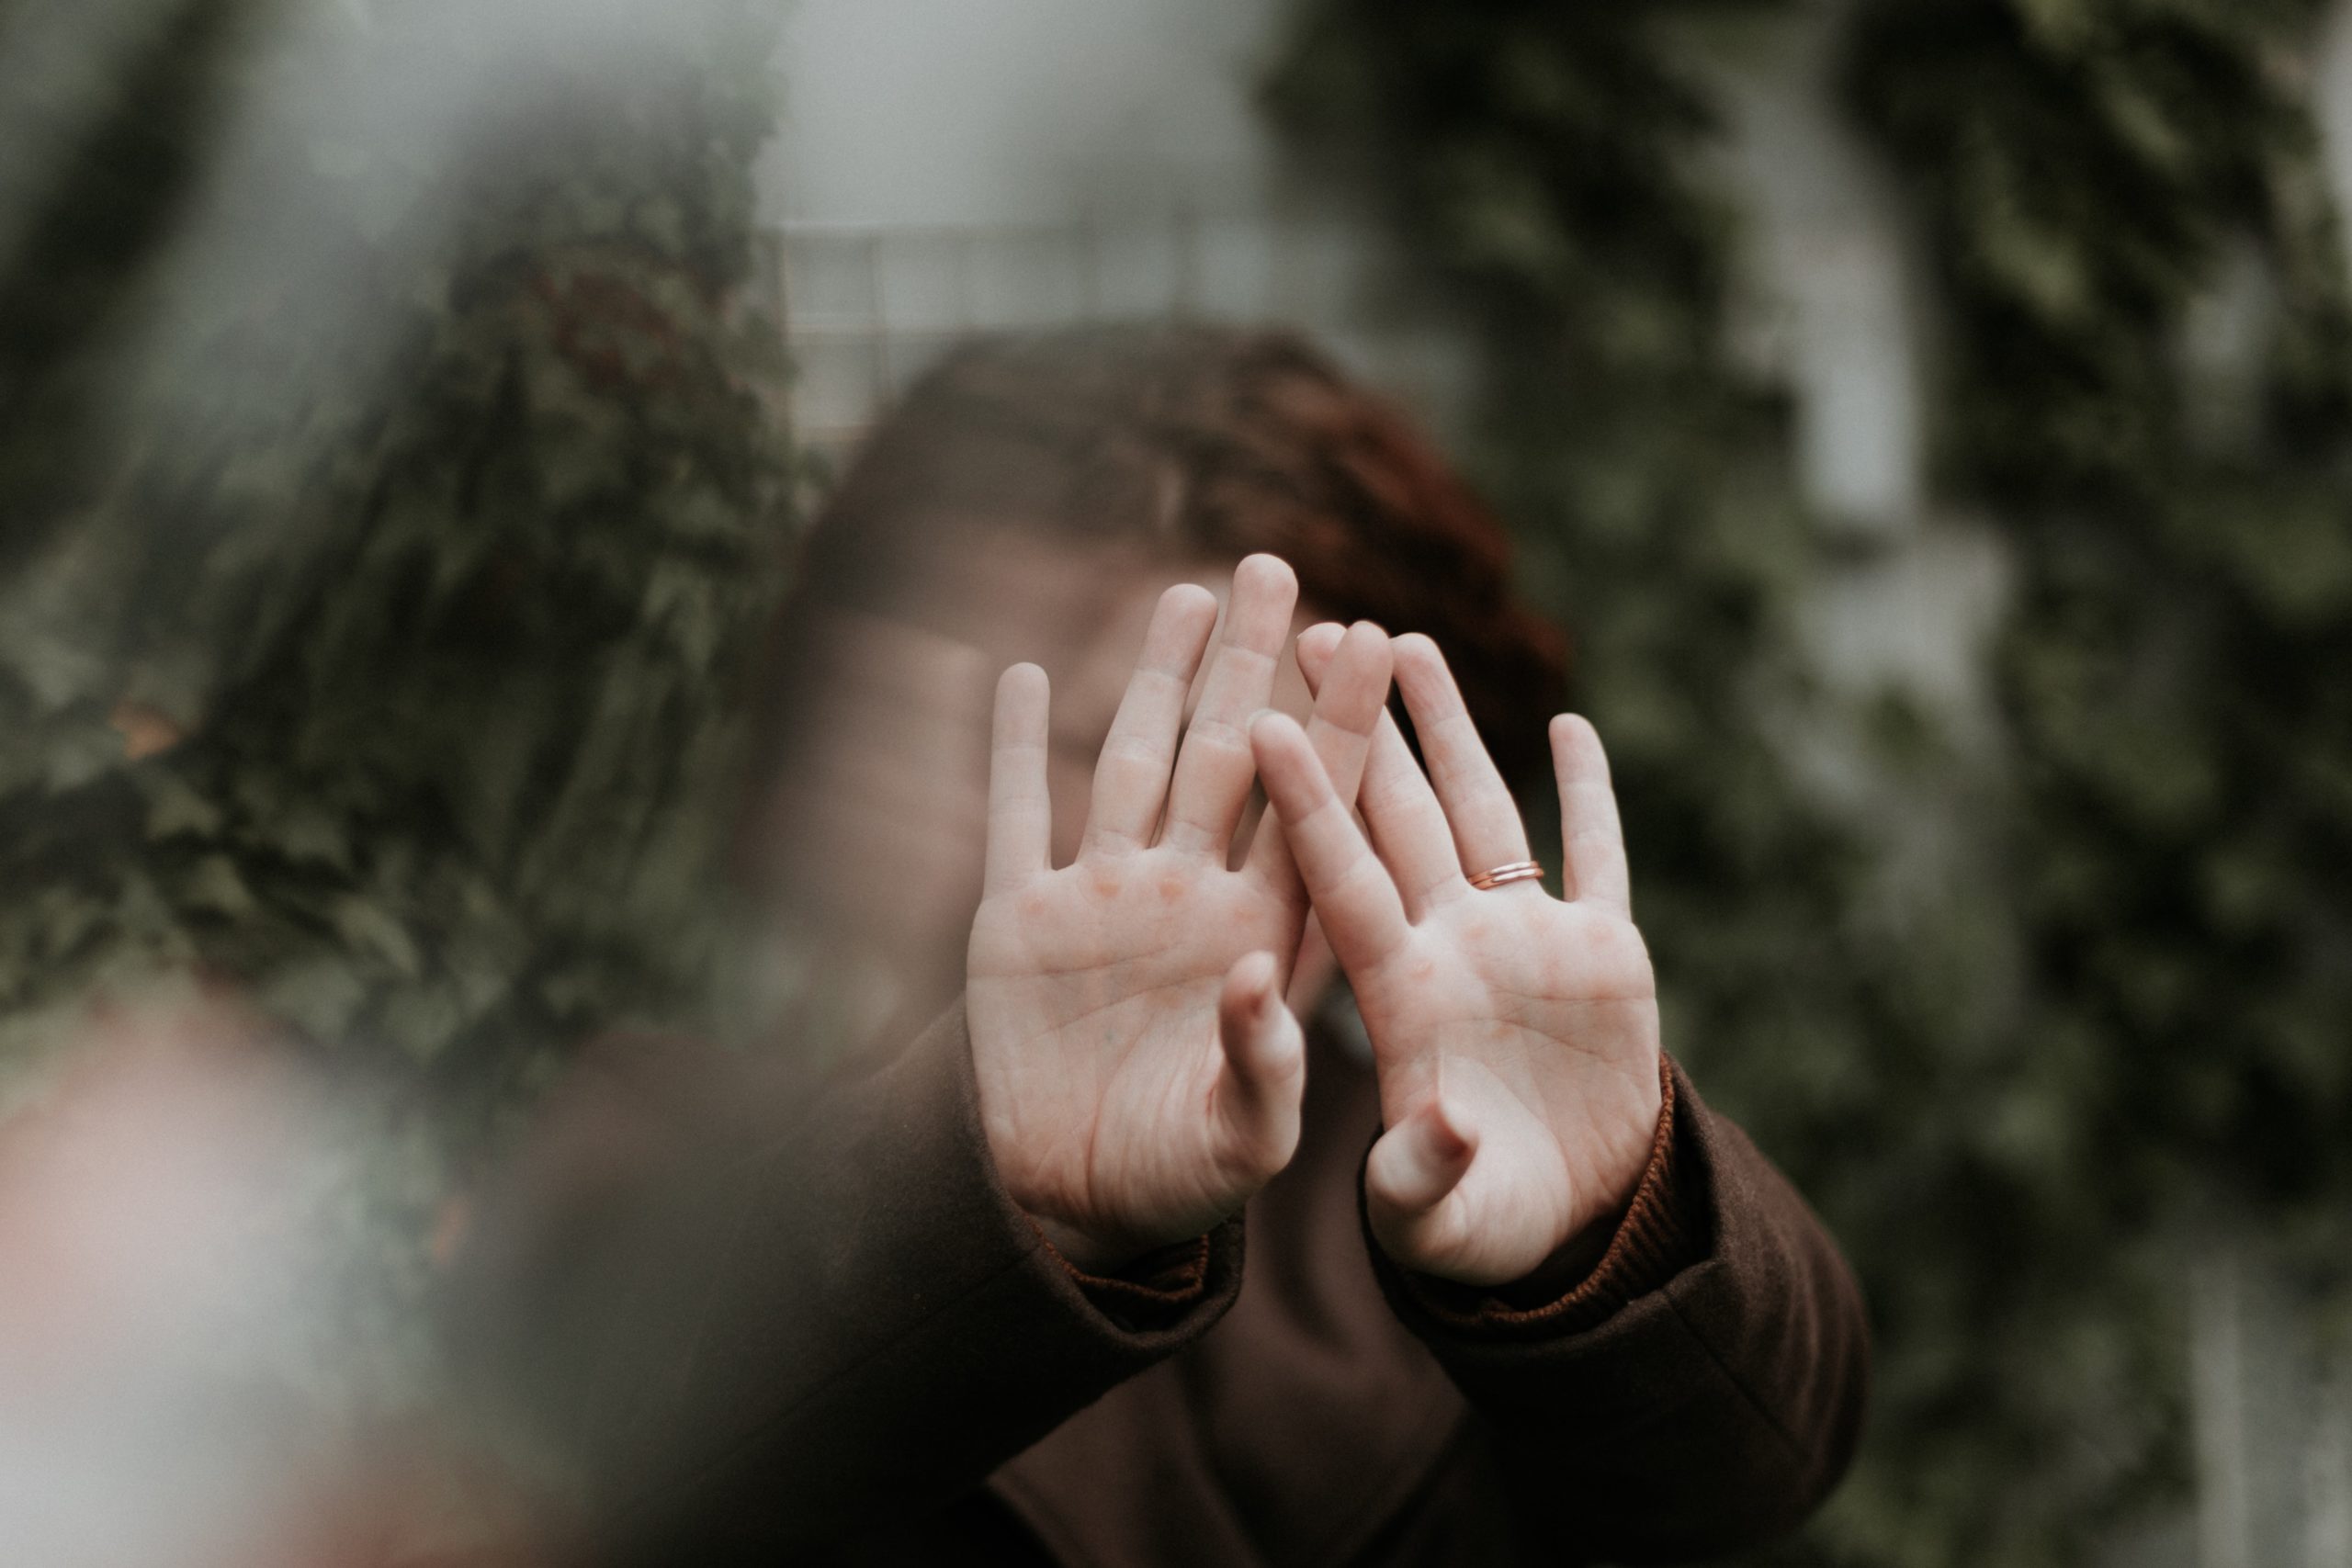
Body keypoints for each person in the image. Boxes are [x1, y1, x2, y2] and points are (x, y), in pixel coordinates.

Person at [453, 327, 1869, 1566]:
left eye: (1296, 772)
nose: (1224, 854)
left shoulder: (1442, 1188)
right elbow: (601, 1430)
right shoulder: (669, 1134)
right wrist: (1008, 1194)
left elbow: (1755, 1469)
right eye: (1118, 744)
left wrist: (1611, 1231)